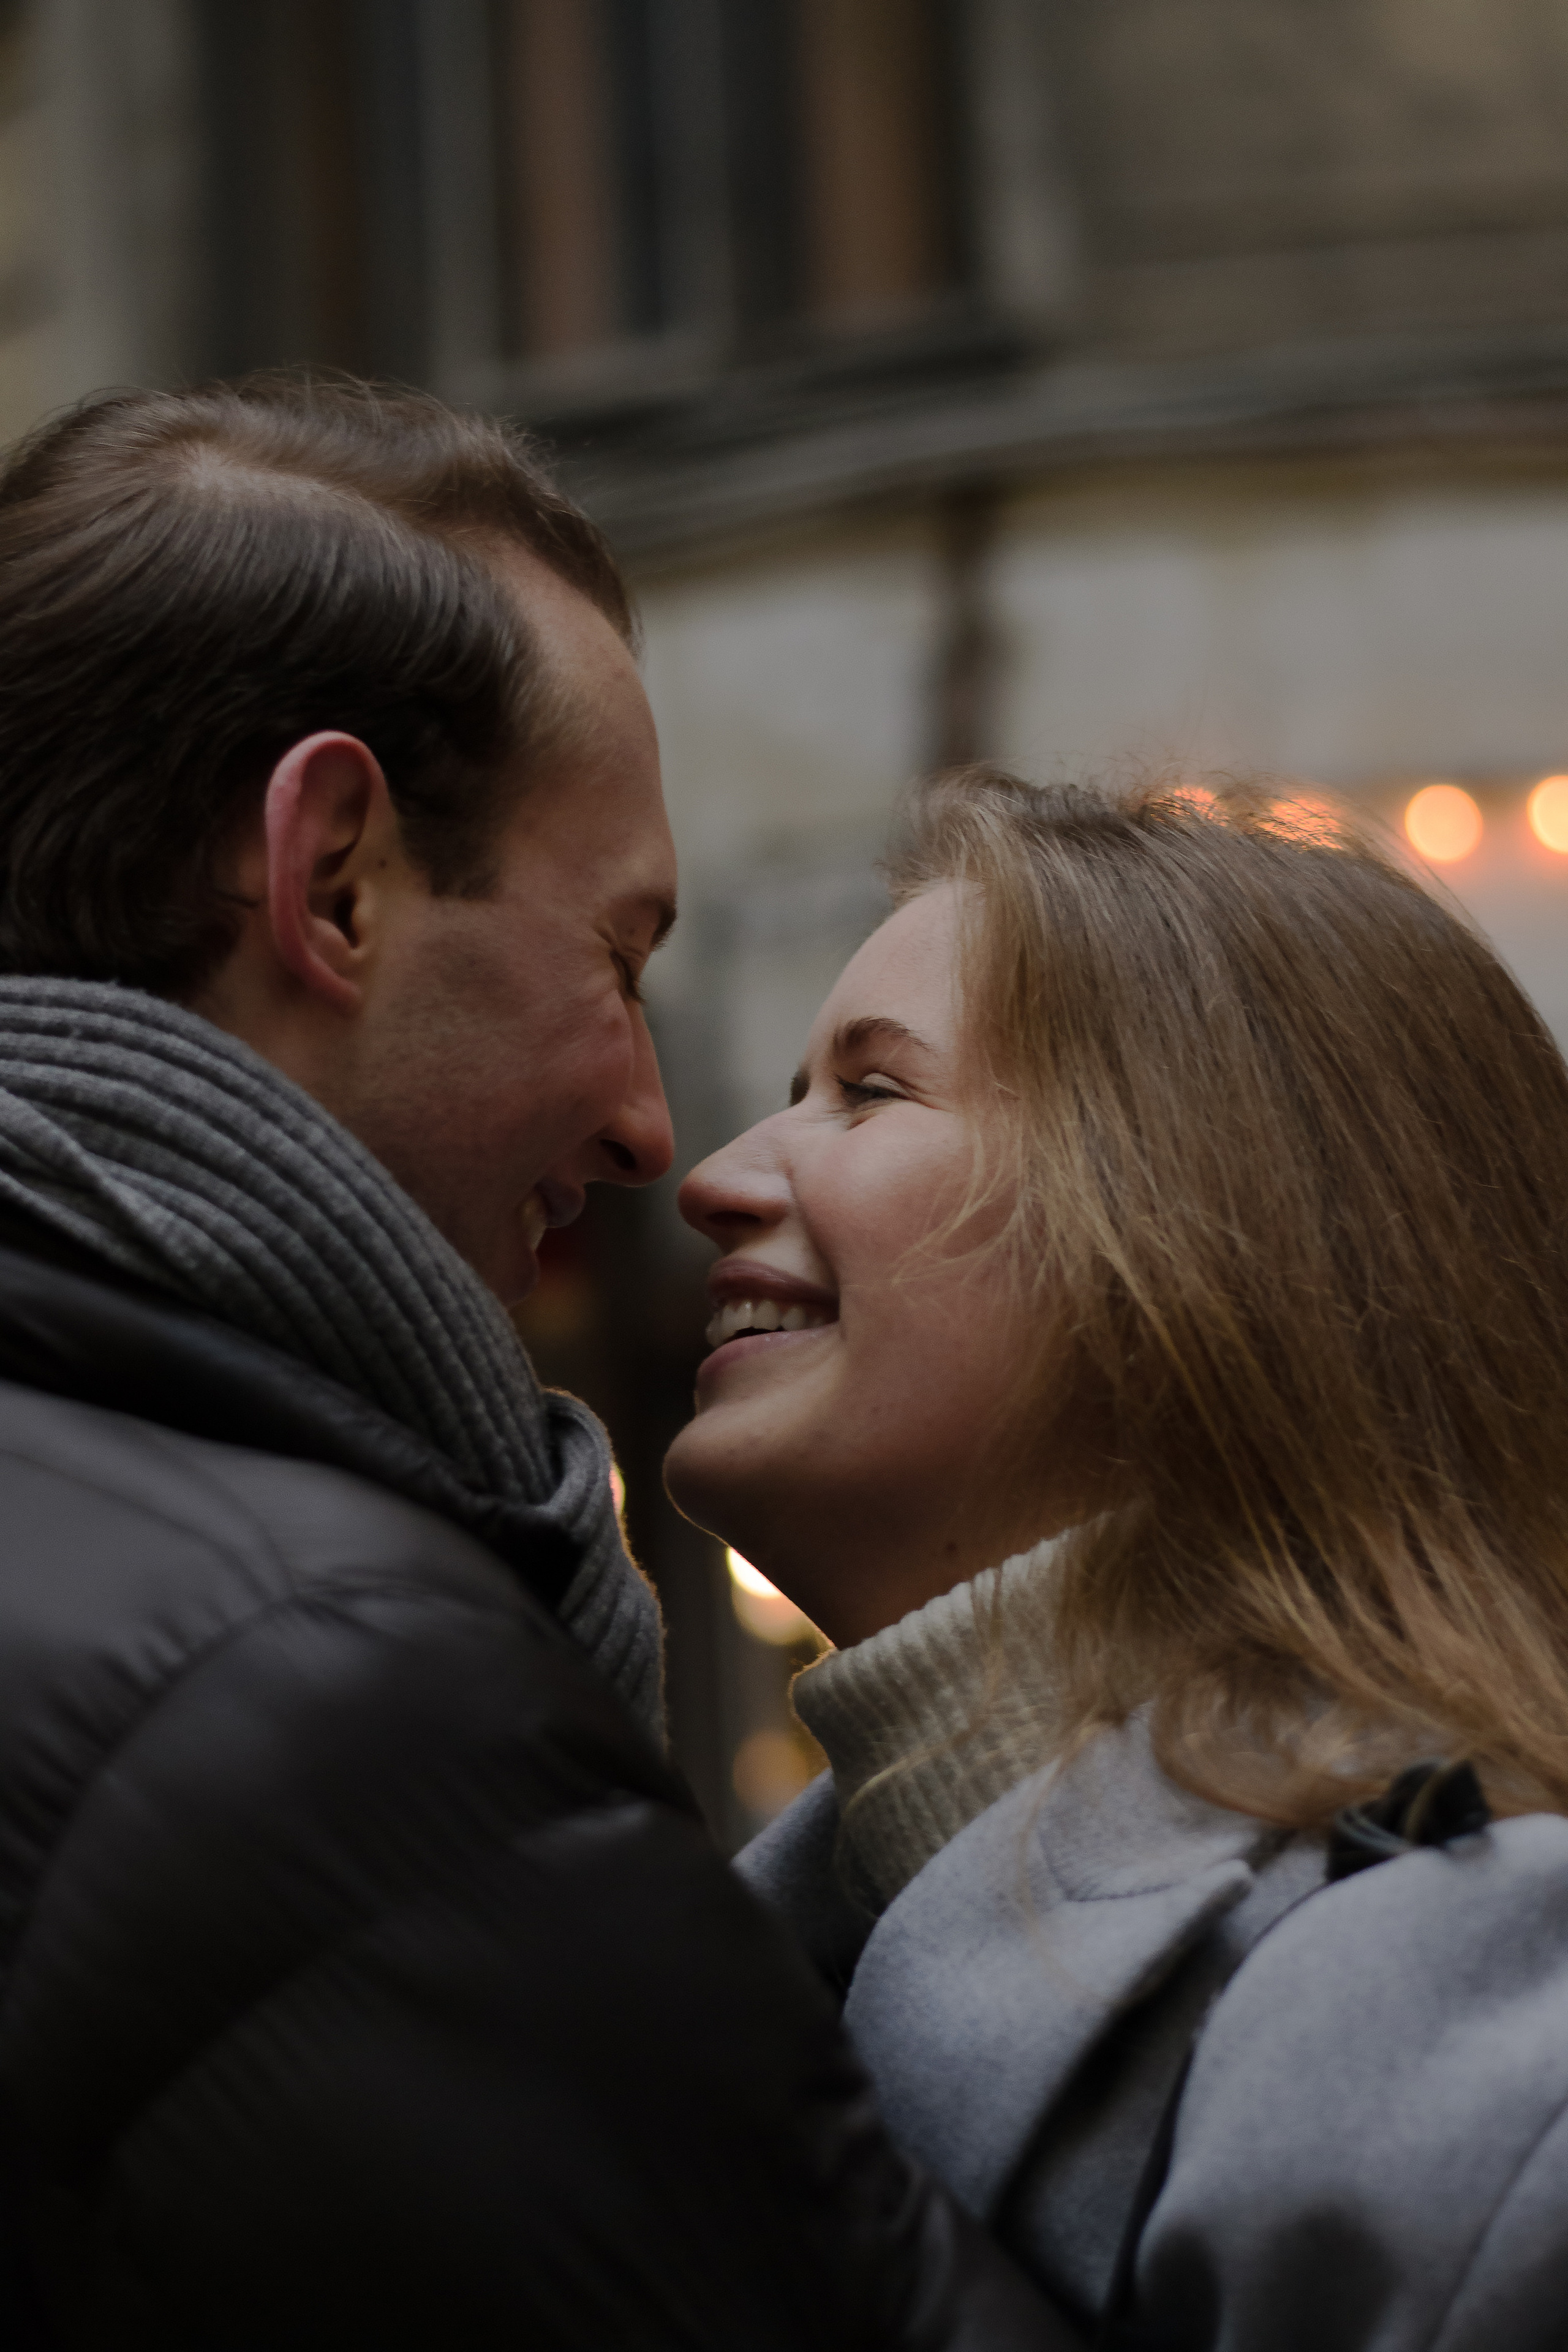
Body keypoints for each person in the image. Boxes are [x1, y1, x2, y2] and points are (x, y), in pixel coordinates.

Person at [0, 379, 1074, 2350]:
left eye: (872, 1093)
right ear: (333, 874)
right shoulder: (310, 1691)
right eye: (620, 956)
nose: (661, 1134)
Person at [666, 765, 1568, 2351]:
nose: (716, 1177)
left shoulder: (1461, 2012)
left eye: (870, 1091)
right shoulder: (708, 1979)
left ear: (1197, 1223)